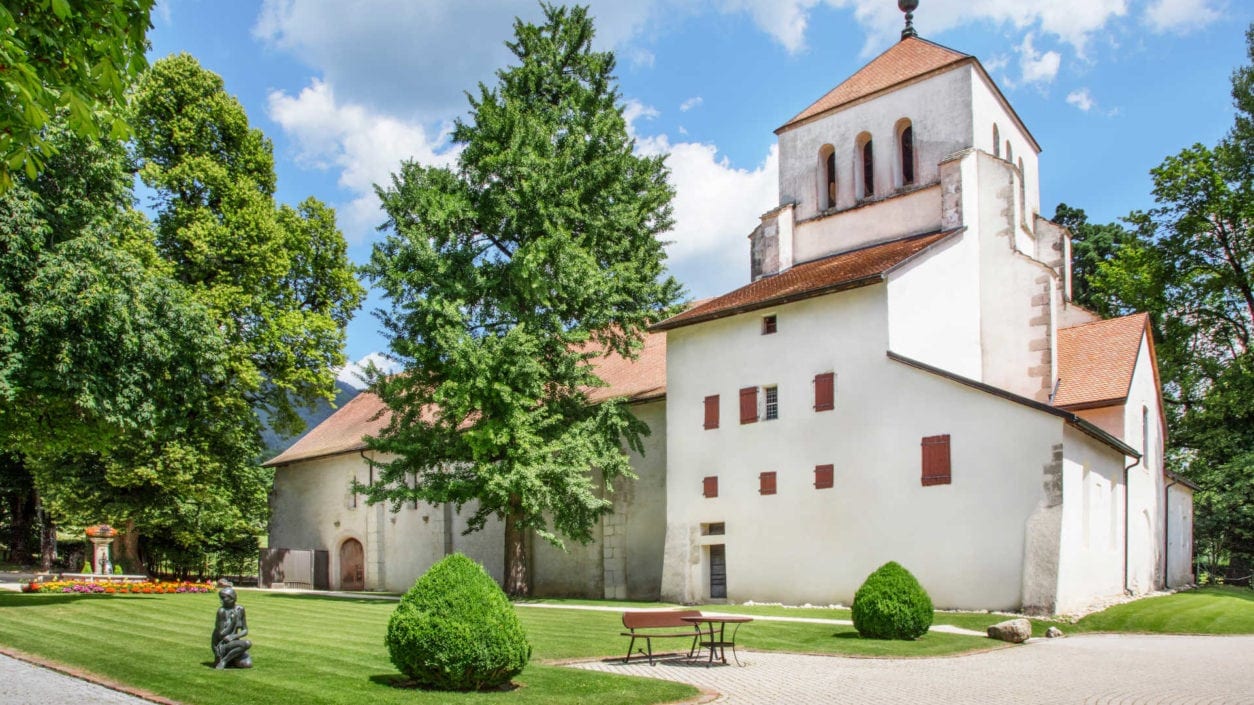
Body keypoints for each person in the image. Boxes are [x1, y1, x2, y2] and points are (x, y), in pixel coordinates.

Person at [211, 585, 253, 669]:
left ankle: (229, 659)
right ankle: (224, 660)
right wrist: (233, 621)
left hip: (233, 642)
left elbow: (245, 630)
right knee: (247, 643)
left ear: (232, 598)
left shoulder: (240, 609)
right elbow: (221, 634)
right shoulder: (221, 611)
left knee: (247, 664)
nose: (221, 601)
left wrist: (233, 636)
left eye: (223, 598)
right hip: (222, 644)